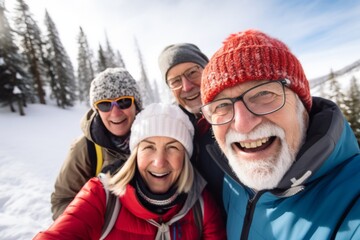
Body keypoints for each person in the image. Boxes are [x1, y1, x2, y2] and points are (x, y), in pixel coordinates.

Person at [199, 29, 360, 239]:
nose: (242, 124)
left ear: (303, 106)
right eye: (221, 106)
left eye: (264, 93)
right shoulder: (233, 181)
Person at [33, 103, 227, 239]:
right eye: (148, 147)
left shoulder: (202, 205)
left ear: (185, 157)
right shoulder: (101, 195)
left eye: (172, 147)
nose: (159, 162)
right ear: (135, 154)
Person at [50, 68, 143, 220]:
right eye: (105, 104)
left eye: (124, 101)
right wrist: (95, 225)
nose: (115, 112)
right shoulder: (85, 148)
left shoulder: (155, 136)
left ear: (136, 104)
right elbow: (62, 200)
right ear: (97, 110)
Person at [158, 43, 225, 213]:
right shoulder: (172, 128)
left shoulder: (238, 111)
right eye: (175, 81)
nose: (187, 86)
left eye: (193, 73)